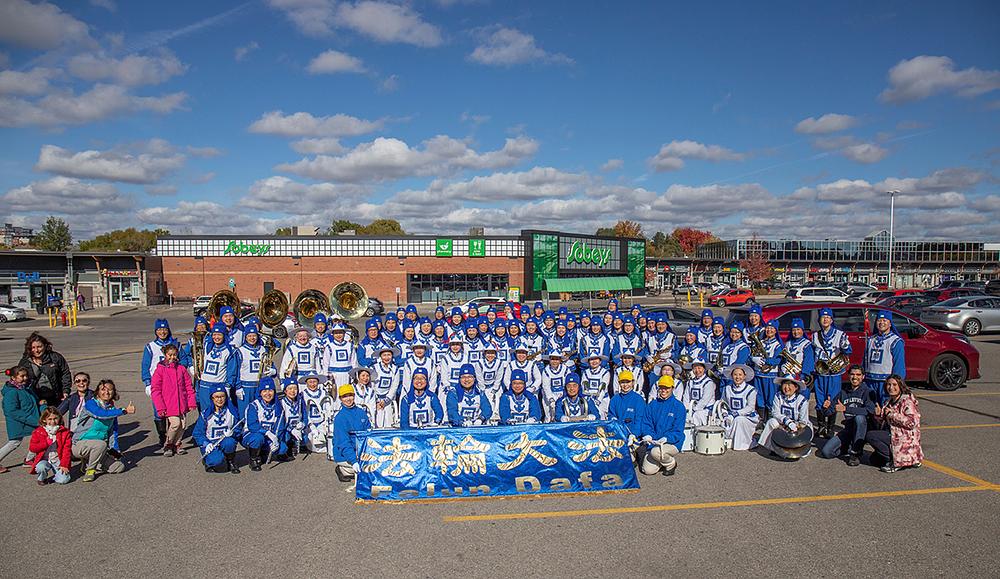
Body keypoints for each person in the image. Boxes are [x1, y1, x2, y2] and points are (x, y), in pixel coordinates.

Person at [72, 379, 134, 482]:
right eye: (103, 389)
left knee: (119, 467)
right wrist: (124, 411)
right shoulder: (91, 404)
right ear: (97, 392)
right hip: (80, 444)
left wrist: (115, 451)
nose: (106, 392)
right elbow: (100, 414)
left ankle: (89, 462)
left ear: (114, 392)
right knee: (100, 445)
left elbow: (112, 432)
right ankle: (90, 470)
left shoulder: (111, 409)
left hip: (99, 447)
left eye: (109, 390)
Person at [819, 365, 876, 466]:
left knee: (859, 418)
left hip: (863, 430)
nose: (855, 377)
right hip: (849, 429)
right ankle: (848, 447)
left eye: (858, 374)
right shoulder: (843, 392)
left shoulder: (868, 392)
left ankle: (855, 453)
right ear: (849, 375)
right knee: (826, 452)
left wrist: (846, 409)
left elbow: (869, 411)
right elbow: (829, 412)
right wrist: (825, 407)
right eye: (852, 374)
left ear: (863, 376)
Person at [867, 375, 923, 473]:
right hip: (892, 433)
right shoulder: (889, 401)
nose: (891, 387)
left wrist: (892, 414)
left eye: (894, 384)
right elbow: (884, 420)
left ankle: (897, 461)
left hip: (903, 437)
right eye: (888, 385)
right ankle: (907, 459)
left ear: (900, 386)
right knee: (874, 460)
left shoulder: (907, 401)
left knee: (871, 436)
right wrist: (878, 414)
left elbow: (912, 422)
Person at [149, 344, 196, 457]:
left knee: (182, 425)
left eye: (174, 355)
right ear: (165, 355)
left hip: (181, 403)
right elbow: (155, 390)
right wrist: (160, 407)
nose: (172, 357)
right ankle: (168, 444)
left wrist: (191, 402)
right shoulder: (160, 370)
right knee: (175, 424)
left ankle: (177, 443)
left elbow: (189, 386)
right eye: (169, 355)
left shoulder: (181, 369)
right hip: (169, 404)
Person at [812, 308, 852, 437]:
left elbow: (848, 351)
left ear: (831, 320)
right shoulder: (815, 335)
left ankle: (830, 428)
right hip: (820, 373)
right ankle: (821, 426)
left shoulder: (840, 334)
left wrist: (845, 346)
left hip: (834, 374)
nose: (825, 319)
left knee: (833, 399)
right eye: (823, 317)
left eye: (828, 317)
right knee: (820, 399)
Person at [140, 319, 179, 449]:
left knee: (173, 411)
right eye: (159, 330)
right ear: (156, 331)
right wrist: (147, 383)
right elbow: (145, 366)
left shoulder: (175, 344)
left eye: (165, 329)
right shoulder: (150, 346)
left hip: (173, 384)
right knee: (159, 411)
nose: (162, 332)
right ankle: (162, 435)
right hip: (157, 385)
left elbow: (183, 360)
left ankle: (172, 437)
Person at [639, 376, 686, 476]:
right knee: (648, 470)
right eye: (661, 387)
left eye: (667, 388)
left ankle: (671, 464)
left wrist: (666, 438)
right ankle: (661, 461)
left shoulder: (679, 406)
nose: (664, 390)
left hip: (672, 442)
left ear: (672, 388)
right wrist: (648, 435)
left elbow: (678, 430)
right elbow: (646, 423)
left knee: (655, 452)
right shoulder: (652, 404)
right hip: (655, 441)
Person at [756, 376, 812, 459]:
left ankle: (795, 450)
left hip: (797, 428)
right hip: (782, 424)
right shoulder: (778, 396)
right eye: (784, 384)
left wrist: (795, 426)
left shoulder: (802, 400)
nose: (786, 388)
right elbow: (775, 413)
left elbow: (803, 421)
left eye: (789, 385)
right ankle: (774, 448)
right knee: (772, 422)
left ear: (796, 387)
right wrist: (787, 422)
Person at [193, 385, 242, 474]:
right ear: (212, 398)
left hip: (225, 441)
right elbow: (197, 433)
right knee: (216, 461)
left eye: (222, 396)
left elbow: (238, 429)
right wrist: (205, 443)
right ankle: (208, 461)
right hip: (211, 444)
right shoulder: (205, 415)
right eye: (216, 397)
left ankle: (230, 461)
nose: (220, 399)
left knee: (230, 442)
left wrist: (233, 433)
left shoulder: (232, 412)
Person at [242, 378, 289, 471]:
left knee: (283, 448)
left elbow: (279, 426)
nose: (268, 394)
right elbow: (252, 425)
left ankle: (264, 452)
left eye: (270, 390)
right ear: (260, 392)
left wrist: (276, 439)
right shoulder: (254, 406)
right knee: (258, 438)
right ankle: (253, 459)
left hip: (269, 436)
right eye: (264, 391)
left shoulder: (278, 406)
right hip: (252, 434)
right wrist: (267, 432)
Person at [1, 366, 41, 473]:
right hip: (19, 422)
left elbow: (35, 401)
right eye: (22, 376)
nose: (25, 378)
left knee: (38, 436)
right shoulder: (12, 392)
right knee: (14, 442)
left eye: (26, 375)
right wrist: (34, 420)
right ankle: (29, 459)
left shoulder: (25, 388)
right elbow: (12, 411)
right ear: (13, 378)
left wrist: (42, 404)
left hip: (29, 419)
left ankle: (29, 459)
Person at [233, 326, 275, 420]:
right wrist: (238, 386)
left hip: (260, 386)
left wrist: (273, 370)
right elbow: (235, 370)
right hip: (246, 387)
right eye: (249, 336)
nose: (252, 338)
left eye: (254, 336)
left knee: (260, 411)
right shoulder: (240, 351)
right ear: (245, 337)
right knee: (244, 413)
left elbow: (270, 363)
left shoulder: (263, 349)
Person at [864, 311, 906, 404]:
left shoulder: (895, 341)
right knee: (870, 407)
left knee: (886, 407)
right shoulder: (871, 340)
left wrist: (896, 383)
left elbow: (899, 365)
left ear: (890, 323)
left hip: (886, 382)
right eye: (879, 320)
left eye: (884, 320)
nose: (881, 323)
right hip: (870, 381)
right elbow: (865, 361)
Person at [19, 332, 72, 407]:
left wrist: (65, 391)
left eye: (39, 347)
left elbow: (65, 373)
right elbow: (19, 378)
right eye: (33, 347)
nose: (36, 350)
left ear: (45, 346)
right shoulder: (25, 362)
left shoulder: (55, 357)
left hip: (55, 397)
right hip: (35, 399)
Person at [333, 384, 372, 482]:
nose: (348, 399)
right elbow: (343, 443)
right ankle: (343, 469)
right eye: (344, 396)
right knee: (366, 470)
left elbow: (368, 433)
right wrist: (354, 460)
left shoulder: (361, 412)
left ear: (354, 396)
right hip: (345, 454)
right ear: (340, 399)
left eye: (350, 395)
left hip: (361, 450)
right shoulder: (340, 418)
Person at [197, 323, 238, 411]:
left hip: (218, 386)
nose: (216, 337)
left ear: (224, 335)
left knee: (219, 413)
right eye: (214, 334)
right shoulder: (206, 345)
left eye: (219, 334)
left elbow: (232, 371)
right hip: (204, 386)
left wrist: (228, 386)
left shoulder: (230, 351)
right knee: (205, 412)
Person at [29, 407, 72, 485]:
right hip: (44, 459)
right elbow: (32, 448)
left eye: (55, 418)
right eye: (50, 419)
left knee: (63, 480)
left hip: (58, 459)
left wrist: (64, 464)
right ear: (44, 420)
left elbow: (67, 450)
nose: (53, 421)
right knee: (41, 467)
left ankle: (55, 477)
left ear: (59, 418)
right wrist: (46, 443)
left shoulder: (65, 432)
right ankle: (42, 477)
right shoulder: (38, 431)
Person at [721, 364, 759, 451]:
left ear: (744, 376)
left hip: (747, 418)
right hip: (730, 416)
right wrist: (725, 415)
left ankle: (743, 444)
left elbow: (750, 407)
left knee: (739, 420)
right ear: (731, 376)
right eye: (735, 375)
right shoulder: (727, 389)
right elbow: (723, 404)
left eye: (740, 375)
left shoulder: (751, 390)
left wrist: (736, 414)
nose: (737, 377)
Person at [609, 368, 647, 446]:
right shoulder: (614, 399)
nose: (625, 385)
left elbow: (640, 420)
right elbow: (611, 415)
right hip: (618, 436)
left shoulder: (639, 400)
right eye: (623, 382)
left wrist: (634, 434)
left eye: (628, 382)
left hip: (634, 437)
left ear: (633, 382)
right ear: (619, 383)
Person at [371, 346, 401, 429]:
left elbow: (394, 386)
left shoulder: (395, 369)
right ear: (380, 356)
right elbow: (372, 385)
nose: (387, 357)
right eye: (384, 355)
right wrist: (376, 401)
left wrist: (386, 400)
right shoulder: (374, 368)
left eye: (389, 355)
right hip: (376, 401)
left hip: (388, 401)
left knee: (389, 423)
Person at [683, 360, 716, 427]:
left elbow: (705, 400)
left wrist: (694, 410)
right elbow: (686, 397)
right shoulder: (690, 382)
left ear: (704, 369)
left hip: (706, 411)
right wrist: (686, 409)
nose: (697, 370)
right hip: (691, 409)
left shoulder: (708, 383)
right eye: (695, 368)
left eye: (699, 368)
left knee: (697, 415)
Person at [279, 378, 307, 457]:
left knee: (305, 438)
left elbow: (304, 415)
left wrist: (303, 424)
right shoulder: (282, 403)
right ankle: (288, 447)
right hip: (286, 429)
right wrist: (291, 429)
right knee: (286, 437)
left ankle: (295, 445)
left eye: (295, 388)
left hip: (297, 428)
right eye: (290, 389)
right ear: (285, 391)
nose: (293, 391)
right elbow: (280, 422)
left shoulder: (300, 401)